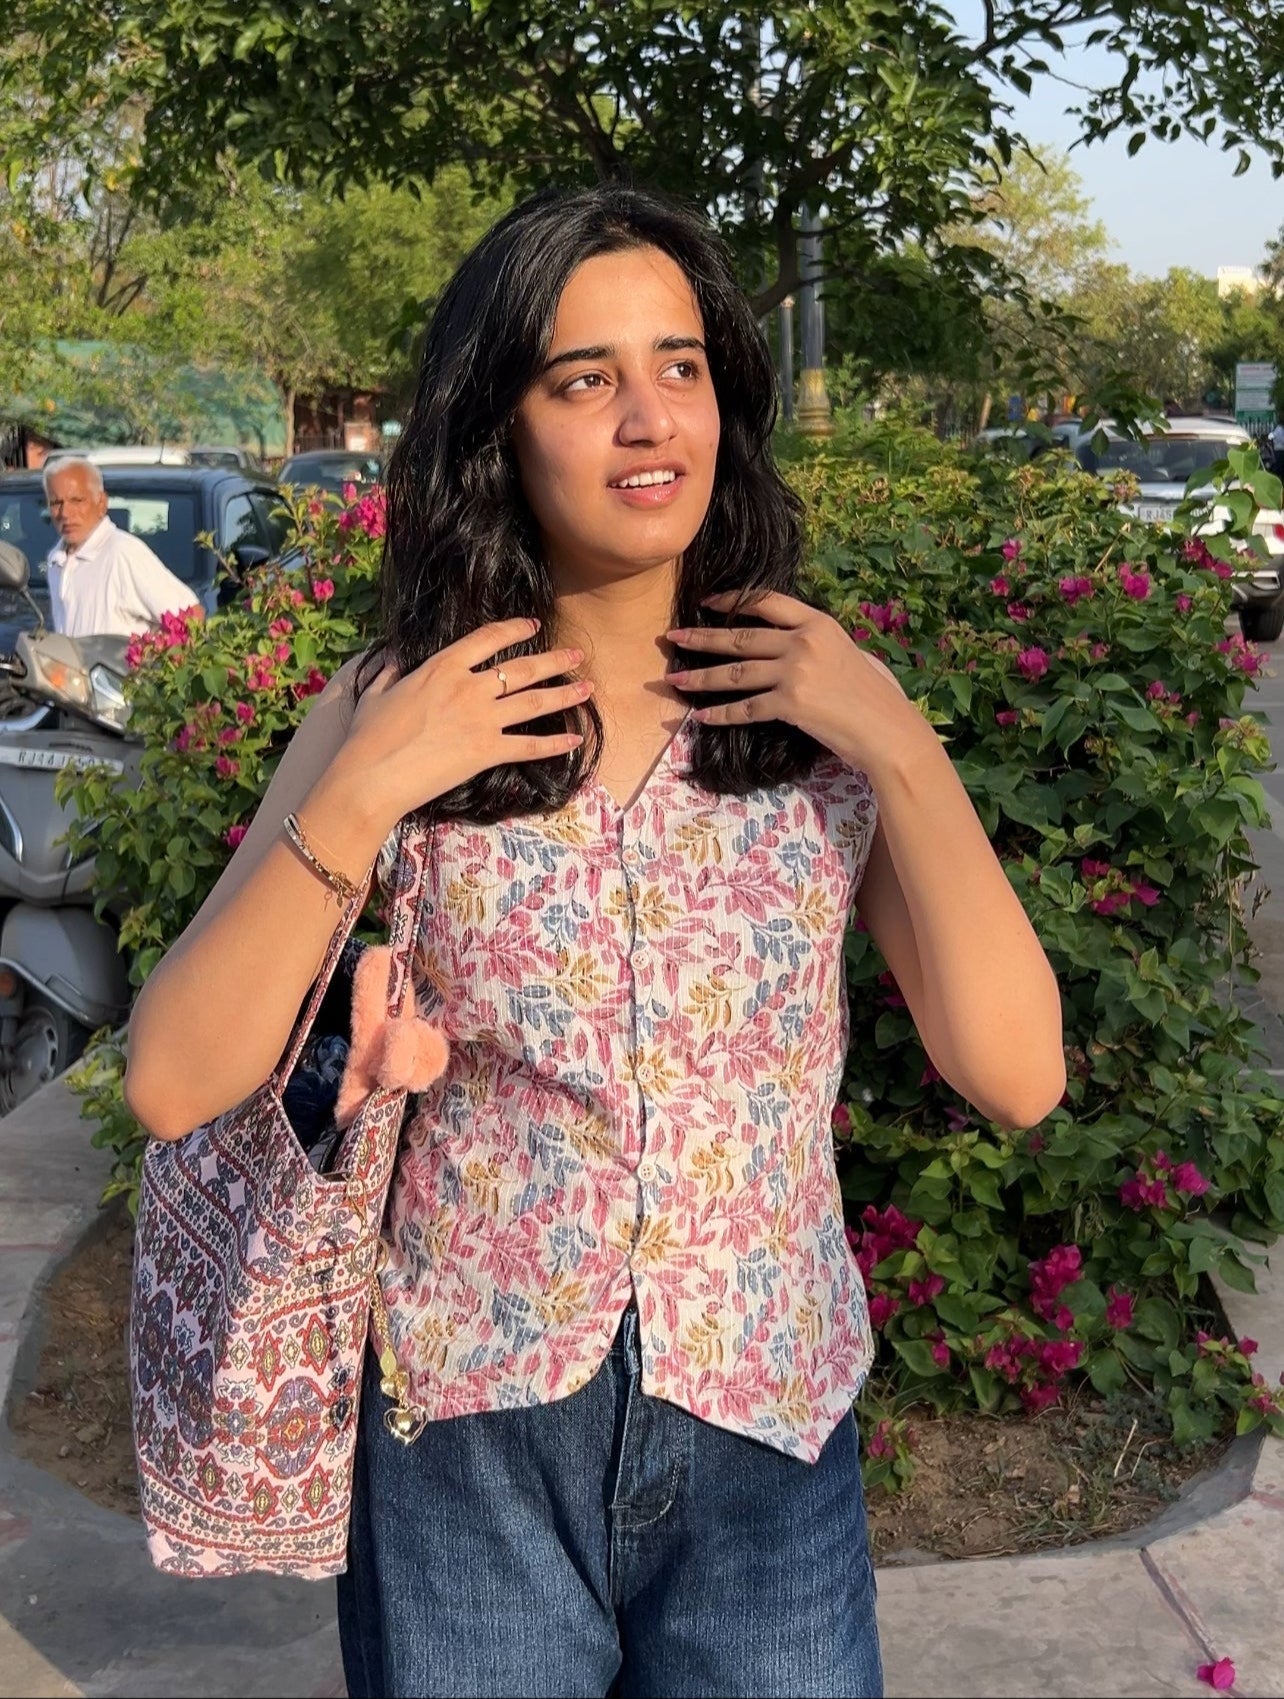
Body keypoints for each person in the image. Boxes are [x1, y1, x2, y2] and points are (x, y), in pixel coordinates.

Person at [123, 186, 1066, 1699]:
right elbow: (173, 1078)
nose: (649, 419)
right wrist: (366, 785)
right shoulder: (399, 708)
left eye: (680, 365)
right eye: (586, 379)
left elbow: (1018, 1073)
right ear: (499, 425)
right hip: (470, 1443)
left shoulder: (817, 721)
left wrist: (900, 743)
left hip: (769, 1429)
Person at [42, 457, 197, 638]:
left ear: (101, 503)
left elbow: (192, 617)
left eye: (77, 501)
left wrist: (148, 657)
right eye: (56, 503)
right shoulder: (57, 559)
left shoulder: (123, 553)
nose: (65, 513)